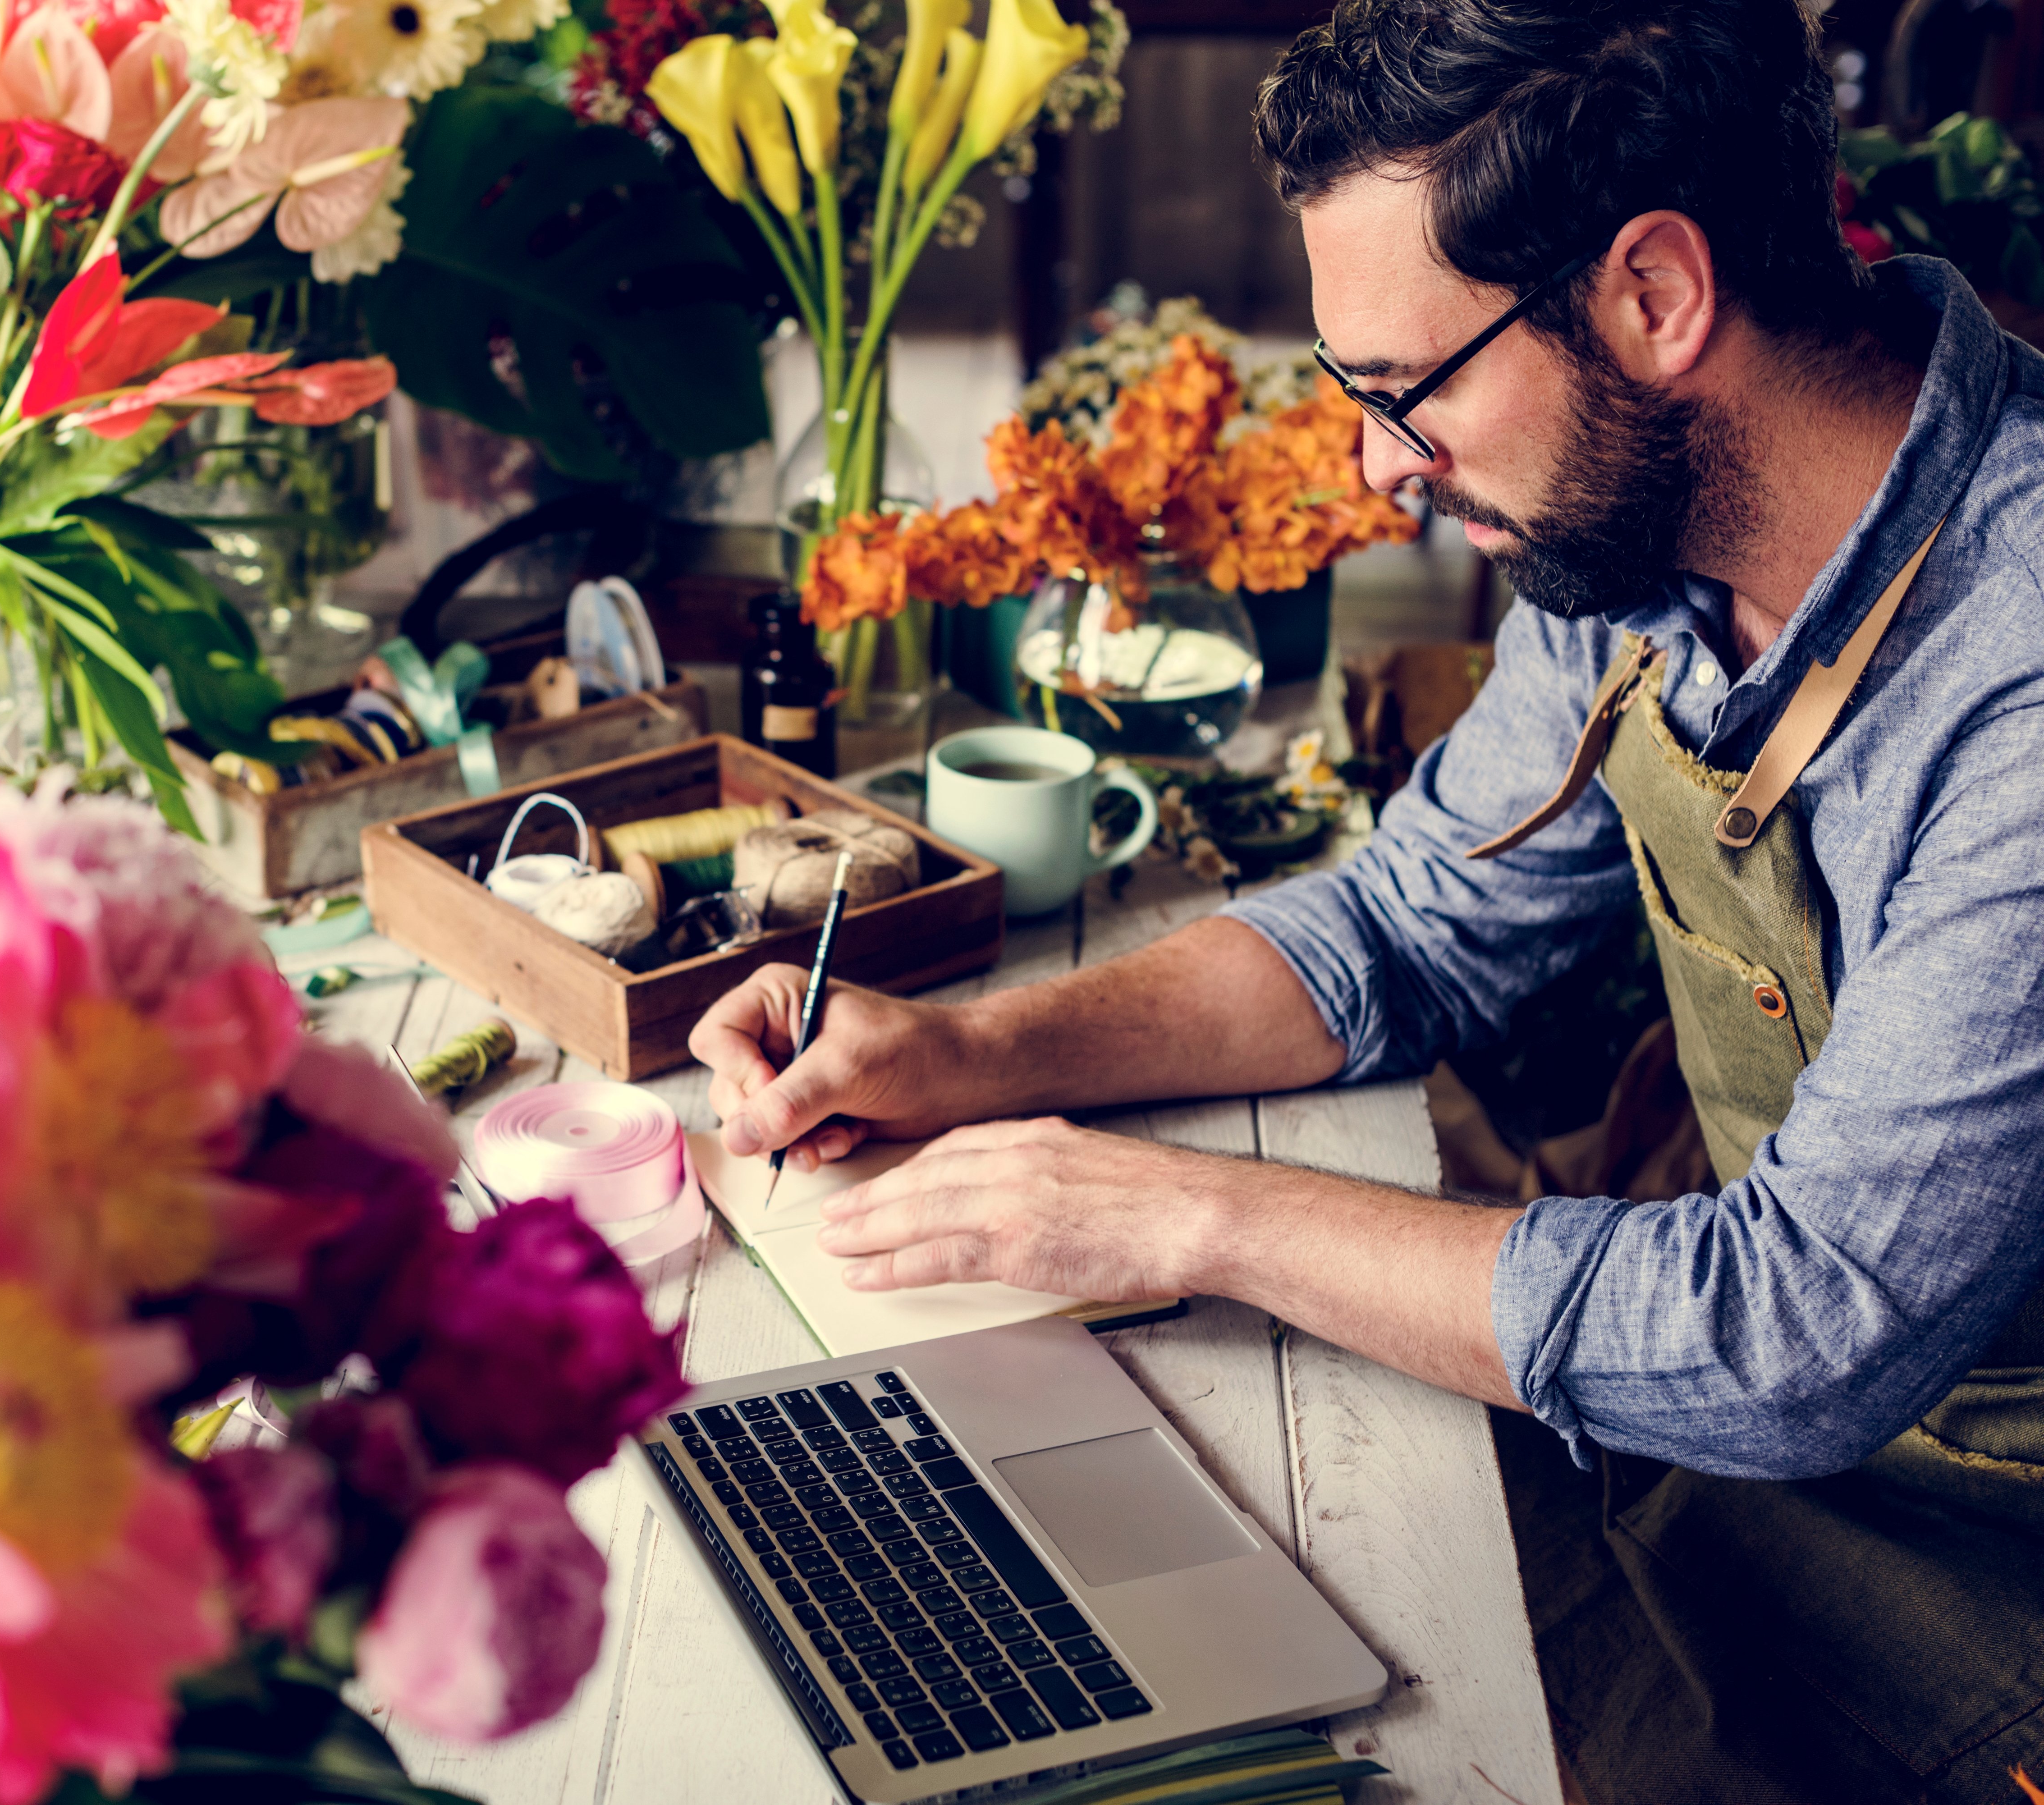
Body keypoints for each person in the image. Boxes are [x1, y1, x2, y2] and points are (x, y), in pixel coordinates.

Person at [688, 2, 2044, 1799]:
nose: (1378, 472)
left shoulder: (2016, 674)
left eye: (1405, 394)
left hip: (1985, 1604)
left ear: (1654, 296)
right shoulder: (1631, 529)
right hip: (1719, 1475)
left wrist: (1185, 1214)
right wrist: (974, 1052)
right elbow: (1410, 923)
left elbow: (1791, 1333)